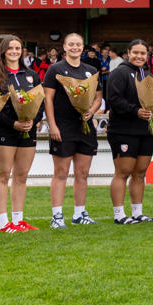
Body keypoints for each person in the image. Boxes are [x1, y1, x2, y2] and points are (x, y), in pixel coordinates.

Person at [43, 33, 103, 228]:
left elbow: (98, 97)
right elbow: (48, 99)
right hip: (63, 126)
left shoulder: (91, 70)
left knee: (82, 173)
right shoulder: (55, 69)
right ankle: (57, 216)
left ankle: (79, 213)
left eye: (78, 44)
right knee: (61, 172)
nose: (75, 47)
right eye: (71, 44)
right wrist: (52, 125)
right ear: (65, 47)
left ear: (83, 47)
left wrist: (92, 112)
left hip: (84, 127)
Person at [0, 35, 42, 233]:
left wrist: (31, 122)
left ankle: (18, 220)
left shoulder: (31, 75)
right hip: (5, 132)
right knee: (2, 175)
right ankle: (3, 222)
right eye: (10, 48)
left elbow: (40, 103)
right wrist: (13, 123)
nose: (14, 51)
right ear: (3, 51)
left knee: (21, 176)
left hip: (27, 131)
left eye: (18, 48)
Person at [105, 39, 153, 224]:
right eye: (135, 52)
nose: (139, 56)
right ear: (128, 52)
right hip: (123, 131)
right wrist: (135, 110)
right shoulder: (119, 72)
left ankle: (137, 212)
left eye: (143, 53)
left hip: (145, 131)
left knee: (140, 172)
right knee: (123, 172)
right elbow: (113, 99)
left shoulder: (148, 75)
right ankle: (119, 215)